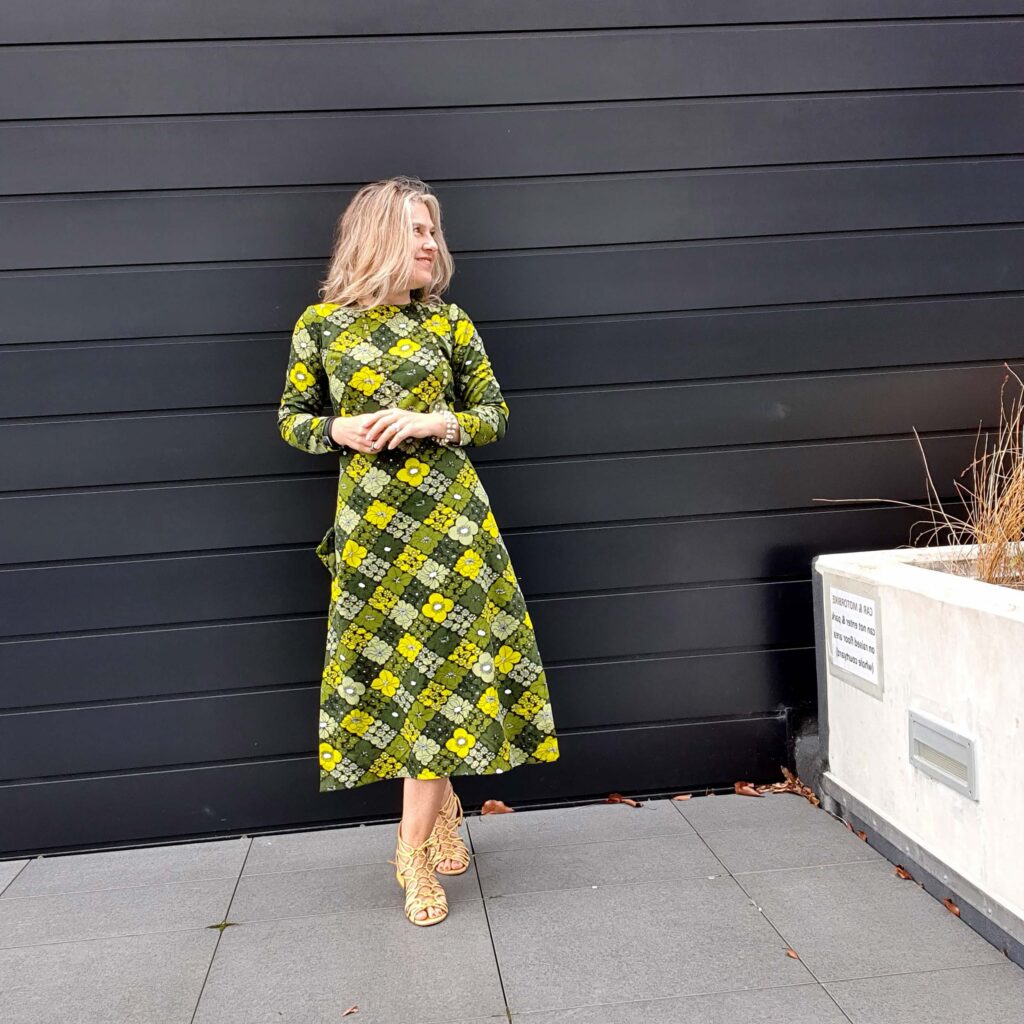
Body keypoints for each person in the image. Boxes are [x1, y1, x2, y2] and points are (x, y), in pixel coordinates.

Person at [277, 176, 560, 926]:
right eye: (416, 230)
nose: (432, 244)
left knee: (444, 682)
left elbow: (494, 415)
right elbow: (292, 418)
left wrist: (435, 422)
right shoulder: (322, 327)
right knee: (402, 684)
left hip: (454, 533)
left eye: (434, 230)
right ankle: (441, 809)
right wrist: (337, 431)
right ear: (375, 239)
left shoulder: (450, 326)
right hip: (372, 540)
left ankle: (409, 853)